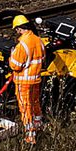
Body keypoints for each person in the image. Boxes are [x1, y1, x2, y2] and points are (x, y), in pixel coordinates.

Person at [7, 14, 45, 144]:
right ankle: (39, 126)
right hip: (36, 80)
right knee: (35, 103)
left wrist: (11, 57)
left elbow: (15, 66)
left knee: (25, 107)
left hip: (23, 81)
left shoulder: (22, 44)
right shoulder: (38, 40)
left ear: (19, 29)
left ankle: (30, 135)